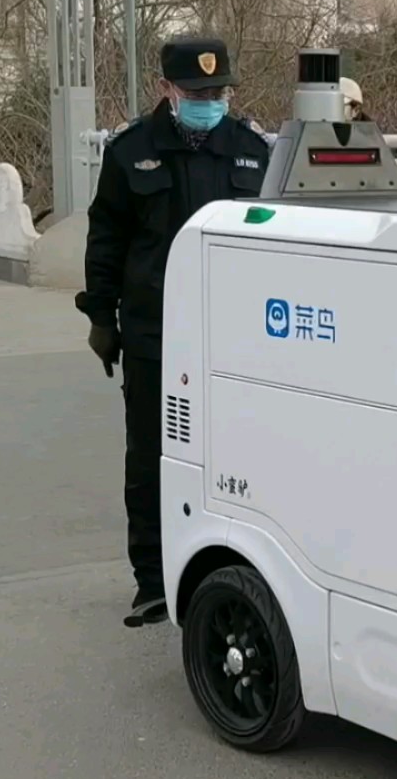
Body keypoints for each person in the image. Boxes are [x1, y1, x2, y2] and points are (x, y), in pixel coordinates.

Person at [77, 37, 271, 628]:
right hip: (154, 335)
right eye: (196, 93)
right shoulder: (132, 153)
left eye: (218, 92)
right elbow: (105, 238)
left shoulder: (252, 152)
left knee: (237, 458)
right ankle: (153, 582)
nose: (209, 102)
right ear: (167, 90)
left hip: (234, 342)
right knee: (152, 457)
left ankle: (229, 576)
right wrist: (99, 317)